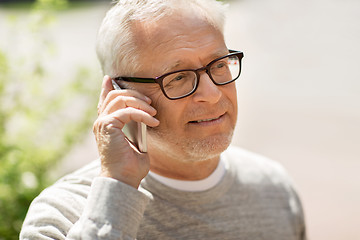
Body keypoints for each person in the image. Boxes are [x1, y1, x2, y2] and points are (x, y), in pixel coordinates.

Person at [20, 0, 307, 239]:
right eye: (178, 77)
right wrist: (118, 188)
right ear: (120, 95)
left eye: (218, 65)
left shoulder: (274, 188)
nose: (212, 94)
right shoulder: (62, 214)